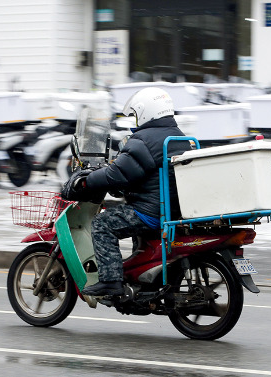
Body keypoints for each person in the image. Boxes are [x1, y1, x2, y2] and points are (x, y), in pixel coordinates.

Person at [64, 87, 192, 297]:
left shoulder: (144, 140)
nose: (135, 120)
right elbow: (138, 173)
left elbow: (117, 174)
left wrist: (86, 182)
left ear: (145, 112)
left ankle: (111, 281)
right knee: (123, 211)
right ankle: (140, 281)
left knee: (102, 224)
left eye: (135, 115)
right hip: (171, 207)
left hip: (150, 211)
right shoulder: (177, 136)